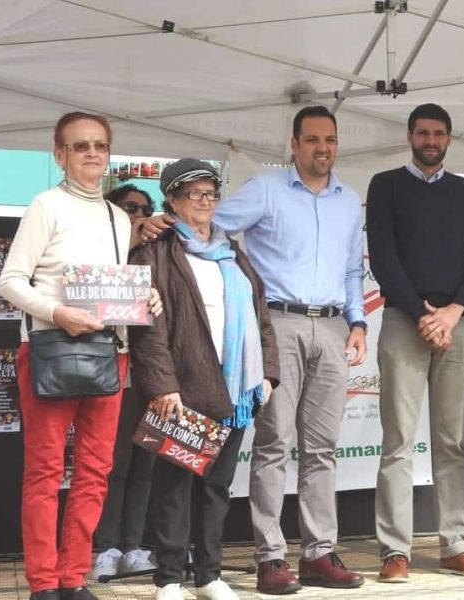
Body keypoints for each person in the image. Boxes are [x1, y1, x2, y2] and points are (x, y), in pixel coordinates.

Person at [139, 106, 368, 592]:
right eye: (311, 139)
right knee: (272, 445)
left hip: (330, 327)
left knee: (322, 448)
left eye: (329, 139)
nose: (321, 148)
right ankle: (271, 557)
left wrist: (358, 321)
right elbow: (208, 224)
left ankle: (319, 552)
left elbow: (353, 272)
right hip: (278, 323)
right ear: (294, 143)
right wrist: (156, 225)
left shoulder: (350, 201)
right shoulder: (265, 190)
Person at [0, 112, 161, 600]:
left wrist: (145, 299)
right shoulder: (45, 205)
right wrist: (56, 312)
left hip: (110, 352)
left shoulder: (117, 217)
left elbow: (113, 286)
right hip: (51, 348)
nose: (92, 153)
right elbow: (8, 282)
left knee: (96, 471)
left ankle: (73, 577)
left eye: (100, 145)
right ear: (59, 154)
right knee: (45, 472)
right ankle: (44, 582)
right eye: (80, 146)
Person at [129, 159, 280, 600]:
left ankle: (210, 575)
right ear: (172, 201)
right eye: (194, 194)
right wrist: (162, 386)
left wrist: (267, 374)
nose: (205, 202)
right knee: (175, 486)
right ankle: (170, 577)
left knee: (216, 487)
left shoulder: (234, 254)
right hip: (182, 388)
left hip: (234, 391)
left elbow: (261, 316)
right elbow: (146, 329)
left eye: (211, 193)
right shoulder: (154, 251)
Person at [366, 103, 464, 583]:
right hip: (405, 320)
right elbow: (383, 258)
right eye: (423, 132)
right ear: (410, 136)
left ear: (449, 140)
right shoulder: (385, 186)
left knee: (452, 441)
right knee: (398, 439)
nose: (431, 140)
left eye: (439, 133)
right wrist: (424, 315)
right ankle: (393, 551)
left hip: (455, 323)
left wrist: (454, 311)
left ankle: (455, 545)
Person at [92, 183, 158, 579]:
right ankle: (107, 546)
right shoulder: (100, 252)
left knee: (144, 466)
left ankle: (134, 545)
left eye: (146, 208)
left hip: (151, 378)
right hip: (109, 373)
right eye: (131, 207)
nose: (140, 215)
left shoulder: (158, 255)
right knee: (112, 466)